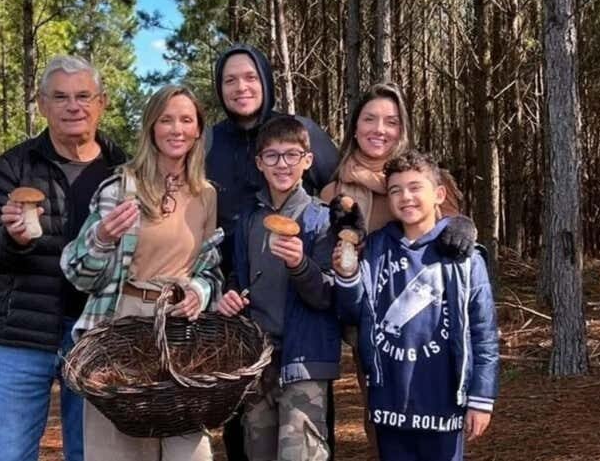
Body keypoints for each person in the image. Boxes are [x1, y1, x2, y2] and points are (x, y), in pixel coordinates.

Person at [0, 55, 127, 461]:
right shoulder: (14, 166)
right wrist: (12, 239)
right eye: (60, 97)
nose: (73, 106)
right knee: (12, 452)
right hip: (23, 336)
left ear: (101, 102)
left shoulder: (124, 171)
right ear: (42, 105)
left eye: (82, 96)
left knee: (90, 453)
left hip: (95, 336)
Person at [61, 85, 223, 461]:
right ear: (151, 128)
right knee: (120, 448)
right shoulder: (120, 187)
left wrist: (200, 290)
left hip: (181, 334)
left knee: (189, 449)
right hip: (122, 328)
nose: (176, 129)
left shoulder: (207, 194)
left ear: (199, 129)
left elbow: (211, 270)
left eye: (186, 120)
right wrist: (101, 237)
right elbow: (77, 272)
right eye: (166, 120)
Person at [320, 82, 475, 459]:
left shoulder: (421, 176)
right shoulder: (334, 190)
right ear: (354, 127)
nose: (379, 129)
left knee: (434, 422)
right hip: (371, 328)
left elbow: (454, 233)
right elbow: (328, 264)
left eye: (390, 121)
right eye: (369, 119)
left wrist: (465, 227)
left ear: (401, 129)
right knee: (384, 427)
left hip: (430, 324)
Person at [207, 43, 339, 460]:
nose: (281, 164)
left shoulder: (319, 218)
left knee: (301, 450)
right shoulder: (245, 216)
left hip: (305, 355)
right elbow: (238, 273)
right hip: (251, 349)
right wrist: (227, 291)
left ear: (306, 160)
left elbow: (327, 292)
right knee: (251, 447)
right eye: (230, 79)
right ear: (259, 162)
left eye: (291, 156)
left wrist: (302, 262)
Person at [332, 150, 499, 461]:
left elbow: (483, 332)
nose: (405, 197)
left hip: (444, 402)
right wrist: (347, 274)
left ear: (438, 194)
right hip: (390, 401)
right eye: (395, 190)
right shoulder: (378, 247)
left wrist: (481, 398)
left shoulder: (464, 257)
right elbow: (353, 310)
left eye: (414, 188)